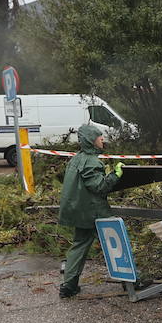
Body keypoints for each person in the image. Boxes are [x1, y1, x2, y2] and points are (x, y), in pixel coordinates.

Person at [57, 124, 123, 298]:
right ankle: (132, 282)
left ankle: (69, 286)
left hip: (80, 211)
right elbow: (99, 186)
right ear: (91, 140)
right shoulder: (92, 161)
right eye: (99, 137)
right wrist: (116, 175)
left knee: (79, 246)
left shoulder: (77, 158)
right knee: (116, 243)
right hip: (95, 211)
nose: (102, 139)